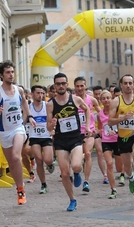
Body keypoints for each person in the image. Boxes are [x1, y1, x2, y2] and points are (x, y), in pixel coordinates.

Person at [0, 60, 36, 205]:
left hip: (18, 128)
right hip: (4, 132)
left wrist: (30, 116)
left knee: (15, 156)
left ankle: (21, 190)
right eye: (8, 72)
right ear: (1, 75)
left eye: (12, 72)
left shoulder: (18, 90)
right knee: (11, 163)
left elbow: (24, 103)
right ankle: (19, 187)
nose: (11, 75)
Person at [46, 72, 91, 211]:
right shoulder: (50, 104)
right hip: (60, 140)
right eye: (57, 84)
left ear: (67, 85)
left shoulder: (75, 99)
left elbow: (87, 109)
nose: (60, 86)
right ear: (54, 86)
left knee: (76, 165)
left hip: (76, 138)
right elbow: (48, 127)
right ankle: (72, 199)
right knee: (65, 173)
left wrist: (88, 126)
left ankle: (77, 172)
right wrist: (52, 124)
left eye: (63, 83)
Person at [73, 76, 101, 192]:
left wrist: (100, 129)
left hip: (89, 132)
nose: (80, 88)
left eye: (82, 85)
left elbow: (102, 114)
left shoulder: (92, 100)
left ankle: (86, 181)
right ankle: (76, 172)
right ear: (74, 87)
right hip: (75, 133)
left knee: (88, 153)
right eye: (77, 86)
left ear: (85, 86)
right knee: (77, 159)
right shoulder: (72, 100)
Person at [28, 85, 55, 194]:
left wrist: (53, 129)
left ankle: (50, 164)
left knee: (47, 159)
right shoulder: (28, 107)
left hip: (46, 135)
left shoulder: (47, 105)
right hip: (34, 136)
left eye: (42, 93)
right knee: (38, 160)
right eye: (38, 93)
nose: (41, 95)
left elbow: (54, 118)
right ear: (32, 94)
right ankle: (43, 184)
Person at [98, 90, 120, 198]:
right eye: (104, 98)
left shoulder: (117, 111)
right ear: (100, 101)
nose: (106, 100)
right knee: (109, 163)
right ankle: (113, 189)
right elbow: (100, 128)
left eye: (108, 98)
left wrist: (115, 131)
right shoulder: (100, 113)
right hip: (106, 141)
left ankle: (129, 175)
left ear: (111, 99)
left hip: (118, 140)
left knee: (120, 167)